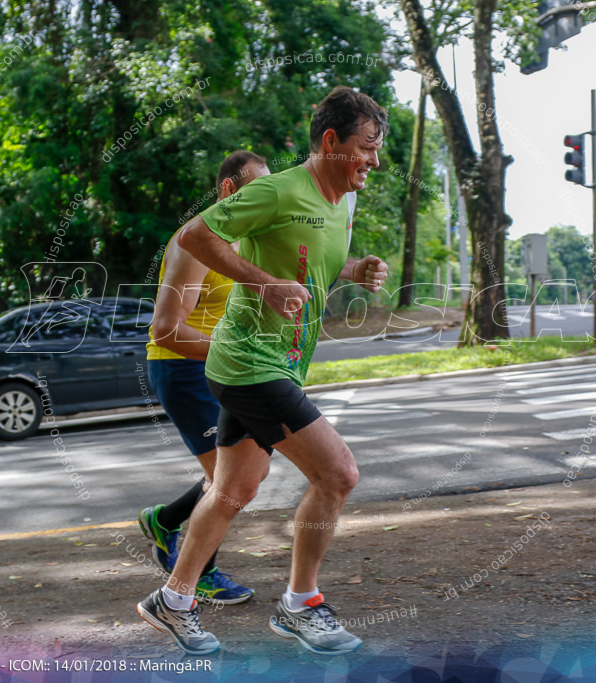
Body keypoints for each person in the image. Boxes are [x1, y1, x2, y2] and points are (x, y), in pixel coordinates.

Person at [137, 86, 389, 656]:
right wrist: (263, 284)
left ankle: (172, 599)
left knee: (233, 489)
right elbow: (194, 235)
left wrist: (355, 269)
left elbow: (304, 260)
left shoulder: (339, 203)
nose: (373, 160)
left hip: (282, 362)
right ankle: (302, 604)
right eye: (367, 147)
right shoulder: (278, 190)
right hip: (249, 362)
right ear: (331, 141)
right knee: (339, 474)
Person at [138, 151, 270, 606]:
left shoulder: (238, 243)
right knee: (228, 485)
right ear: (229, 190)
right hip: (183, 367)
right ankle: (199, 576)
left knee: (250, 473)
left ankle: (166, 520)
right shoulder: (194, 241)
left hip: (222, 366)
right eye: (257, 190)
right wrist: (236, 350)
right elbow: (167, 328)